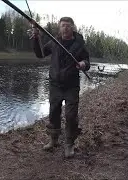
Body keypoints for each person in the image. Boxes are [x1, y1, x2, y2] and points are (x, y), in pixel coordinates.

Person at [31, 17, 90, 158]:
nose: (65, 28)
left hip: (72, 86)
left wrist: (83, 64)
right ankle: (53, 140)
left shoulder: (79, 44)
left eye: (68, 26)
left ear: (73, 27)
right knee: (53, 113)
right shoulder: (54, 42)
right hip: (55, 85)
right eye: (63, 25)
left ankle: (69, 144)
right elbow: (40, 54)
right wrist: (35, 38)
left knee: (71, 115)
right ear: (59, 28)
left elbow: (88, 62)